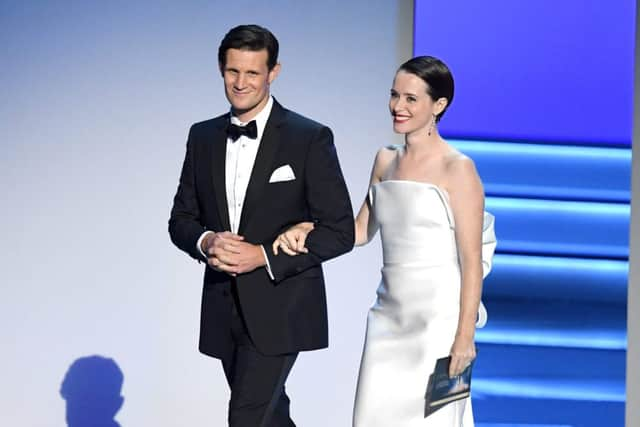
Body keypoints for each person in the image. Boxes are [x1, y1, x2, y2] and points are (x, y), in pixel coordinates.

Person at [272, 56, 496, 426]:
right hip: (388, 316)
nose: (398, 106)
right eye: (394, 95)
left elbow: (471, 260)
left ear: (438, 105)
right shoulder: (385, 160)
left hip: (437, 323)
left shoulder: (459, 169)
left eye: (411, 98)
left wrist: (464, 337)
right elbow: (359, 232)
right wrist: (308, 228)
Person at [168, 24, 354, 427]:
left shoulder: (309, 138)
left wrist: (264, 256)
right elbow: (180, 220)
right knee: (271, 419)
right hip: (223, 306)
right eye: (233, 71)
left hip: (281, 306)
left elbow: (341, 231)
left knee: (246, 419)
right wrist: (207, 241)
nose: (240, 83)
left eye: (252, 73)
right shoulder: (203, 137)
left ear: (273, 72)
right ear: (221, 70)